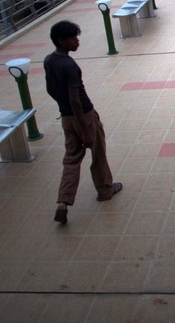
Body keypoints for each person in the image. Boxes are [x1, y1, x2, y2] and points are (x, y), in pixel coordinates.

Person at [44, 20, 122, 224]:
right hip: (84, 116)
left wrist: (64, 109)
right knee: (98, 152)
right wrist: (86, 130)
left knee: (71, 159)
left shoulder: (49, 60)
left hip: (67, 119)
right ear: (62, 40)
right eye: (73, 38)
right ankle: (105, 190)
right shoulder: (70, 65)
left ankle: (63, 201)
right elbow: (75, 99)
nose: (77, 41)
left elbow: (50, 89)